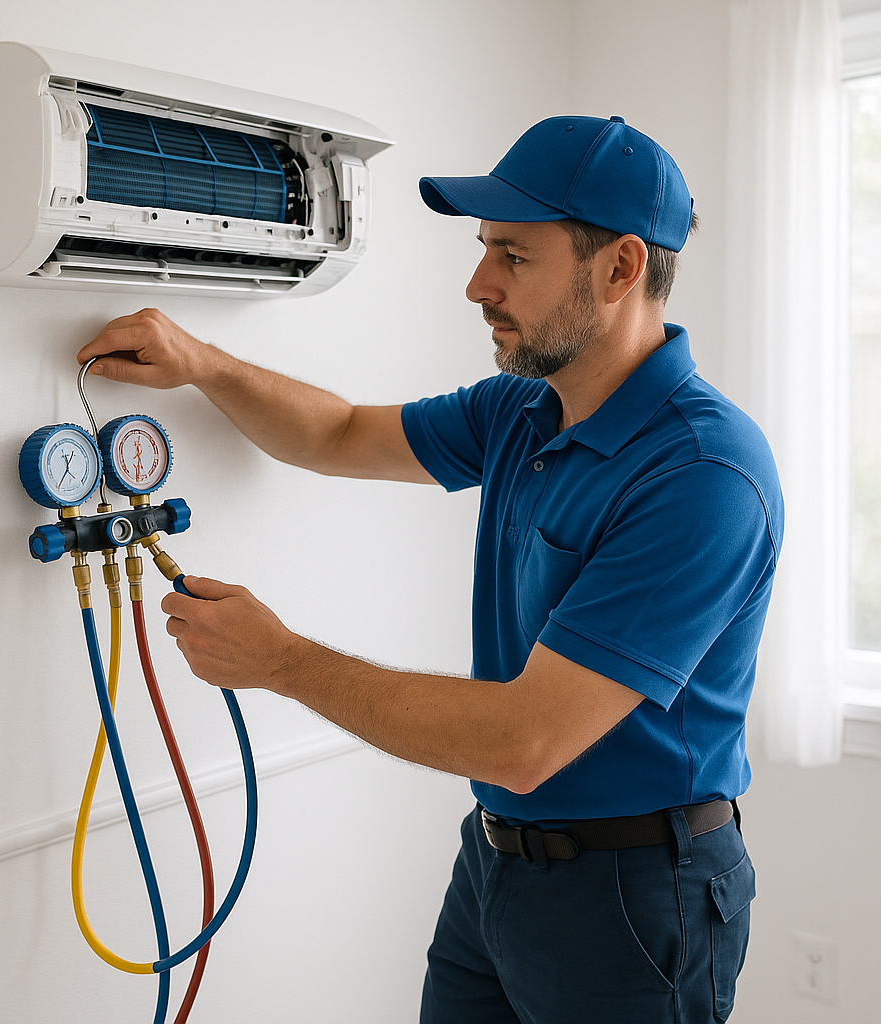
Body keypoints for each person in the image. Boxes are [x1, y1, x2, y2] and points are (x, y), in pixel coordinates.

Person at [77, 114, 782, 1024]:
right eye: (485, 249)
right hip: (496, 862)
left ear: (620, 268)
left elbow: (524, 742)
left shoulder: (702, 474)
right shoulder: (525, 409)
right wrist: (202, 363)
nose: (477, 284)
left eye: (514, 258)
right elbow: (336, 433)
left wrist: (281, 661)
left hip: (637, 894)